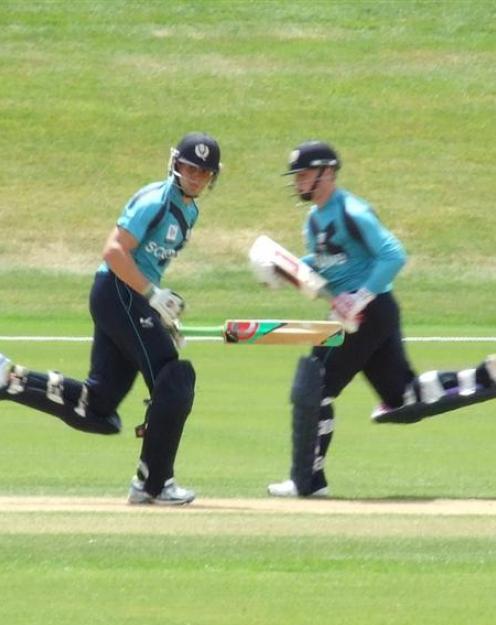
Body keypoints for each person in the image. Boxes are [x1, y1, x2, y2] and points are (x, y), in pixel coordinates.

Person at [262, 140, 496, 498]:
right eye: (297, 176)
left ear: (327, 173)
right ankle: (485, 376)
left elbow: (392, 255)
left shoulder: (351, 211)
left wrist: (361, 297)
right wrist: (287, 269)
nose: (298, 182)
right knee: (401, 398)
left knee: (315, 384)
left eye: (305, 174)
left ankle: (307, 481)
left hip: (368, 311)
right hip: (368, 313)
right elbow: (326, 265)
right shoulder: (314, 220)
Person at [0, 132, 222, 505]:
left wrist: (158, 310)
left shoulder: (190, 211)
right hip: (117, 292)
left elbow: (148, 264)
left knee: (97, 409)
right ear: (175, 164)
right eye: (189, 167)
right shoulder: (155, 200)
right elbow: (114, 250)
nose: (196, 177)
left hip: (129, 298)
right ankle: (154, 484)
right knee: (174, 378)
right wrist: (154, 296)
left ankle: (9, 378)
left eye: (204, 172)